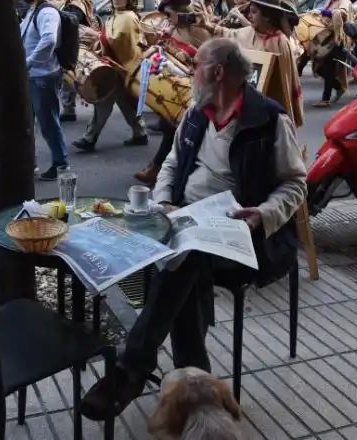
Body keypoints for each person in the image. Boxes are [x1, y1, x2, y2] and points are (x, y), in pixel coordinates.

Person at [80, 38, 307, 421]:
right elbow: (170, 163)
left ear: (217, 72)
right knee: (183, 256)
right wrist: (166, 200)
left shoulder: (268, 120)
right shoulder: (197, 111)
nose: (189, 71)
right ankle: (194, 380)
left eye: (195, 64)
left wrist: (263, 214)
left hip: (247, 235)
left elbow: (295, 184)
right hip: (189, 221)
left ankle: (133, 368)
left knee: (185, 258)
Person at [134, 0, 208, 185]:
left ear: (180, 13)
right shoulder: (172, 29)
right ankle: (162, 168)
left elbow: (209, 56)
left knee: (187, 131)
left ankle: (167, 170)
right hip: (177, 85)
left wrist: (189, 57)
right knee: (172, 129)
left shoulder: (198, 30)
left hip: (197, 86)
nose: (166, 19)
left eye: (169, 14)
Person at [204, 0, 304, 127]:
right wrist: (206, 25)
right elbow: (229, 34)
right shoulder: (249, 32)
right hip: (251, 96)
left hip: (273, 97)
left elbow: (285, 79)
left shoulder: (280, 41)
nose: (249, 16)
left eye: (254, 12)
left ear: (267, 17)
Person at [71, 0, 148, 152]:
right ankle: (140, 132)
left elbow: (119, 41)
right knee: (125, 102)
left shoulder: (128, 17)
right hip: (118, 68)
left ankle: (90, 138)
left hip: (122, 67)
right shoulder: (118, 15)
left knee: (105, 101)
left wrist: (97, 38)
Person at [21, 0, 69, 181]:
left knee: (49, 123)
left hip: (43, 77)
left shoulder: (47, 12)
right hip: (33, 76)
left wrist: (29, 63)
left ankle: (61, 165)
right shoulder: (33, 9)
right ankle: (28, 163)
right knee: (27, 123)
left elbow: (49, 40)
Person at [59, 0, 97, 121]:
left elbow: (73, 21)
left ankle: (70, 108)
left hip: (81, 44)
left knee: (75, 77)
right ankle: (69, 108)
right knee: (68, 77)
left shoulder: (78, 0)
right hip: (78, 43)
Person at [311, 0, 354, 108]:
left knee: (327, 67)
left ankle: (325, 98)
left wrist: (325, 12)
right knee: (320, 67)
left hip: (338, 39)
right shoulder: (332, 1)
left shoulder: (345, 0)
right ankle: (338, 87)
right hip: (328, 38)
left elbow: (342, 13)